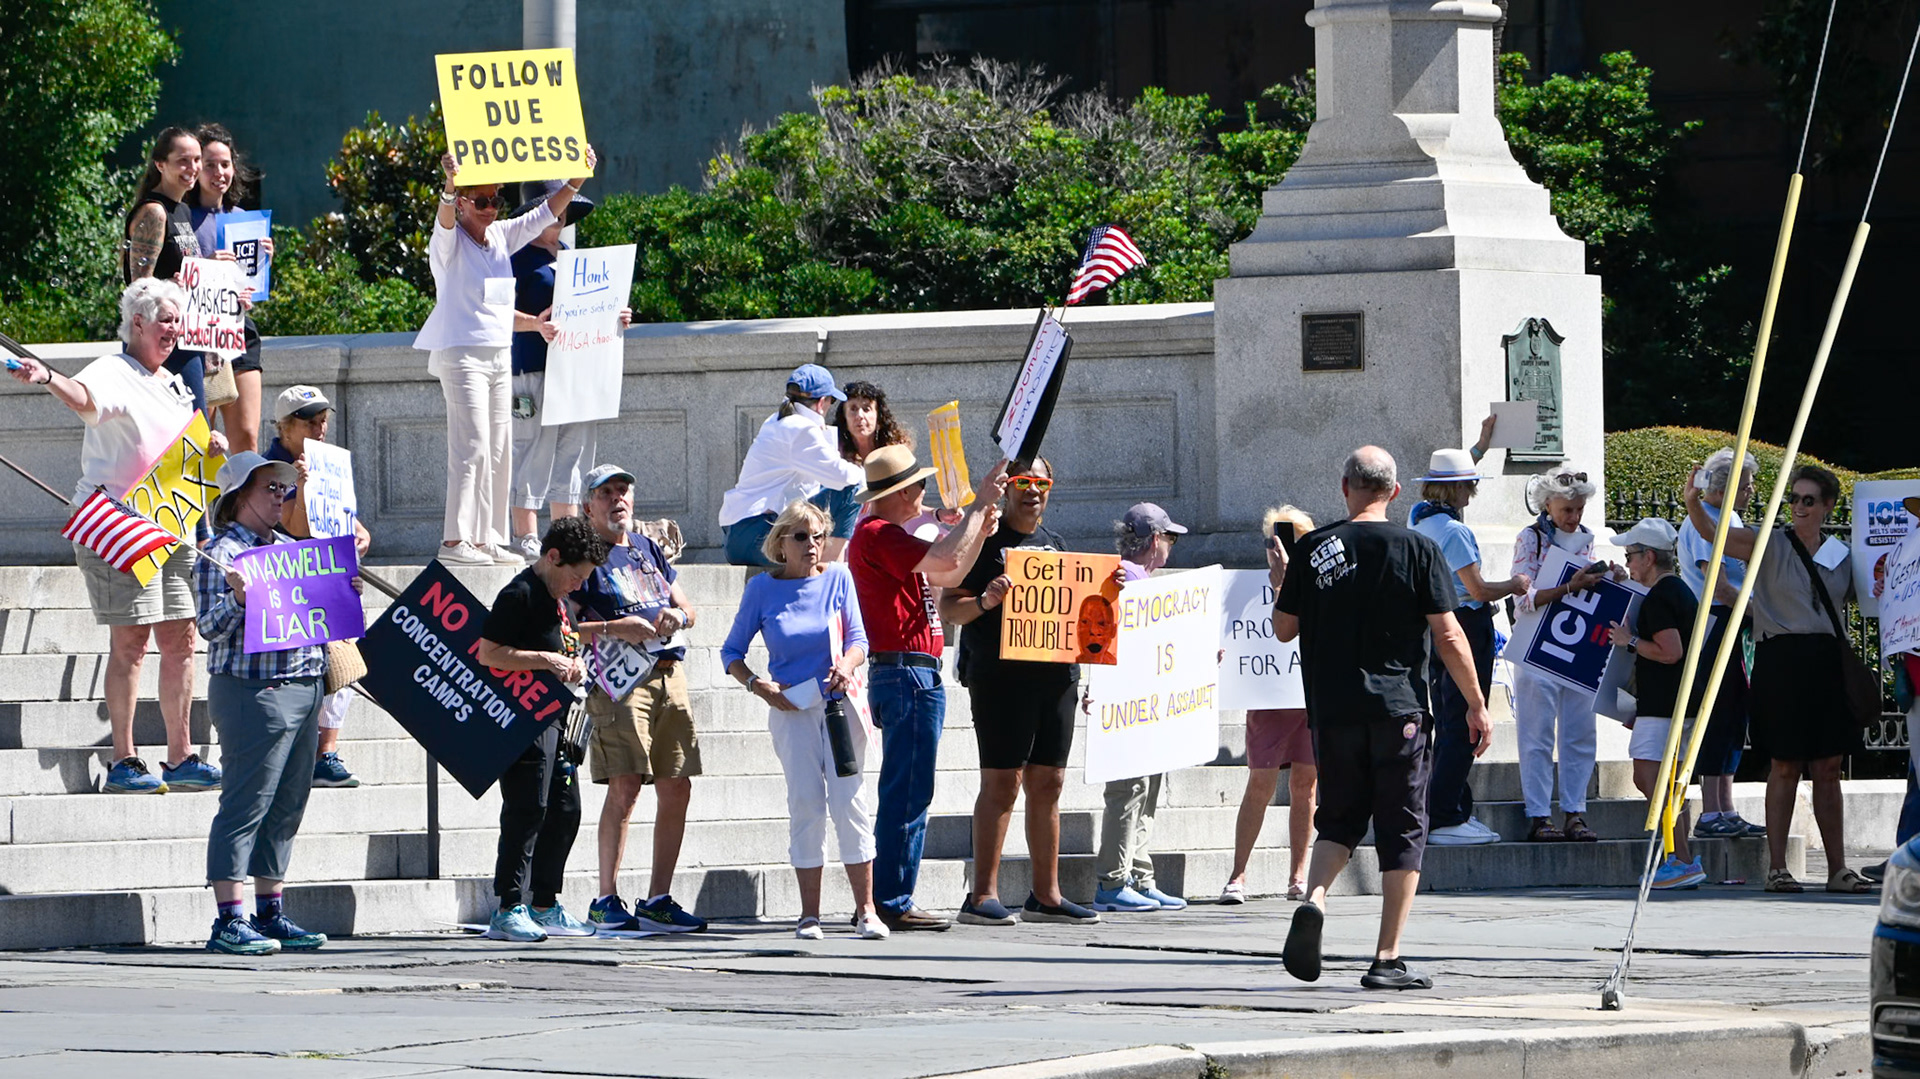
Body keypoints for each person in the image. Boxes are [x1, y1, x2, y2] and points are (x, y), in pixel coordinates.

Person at [1274, 446, 1490, 991]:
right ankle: (1387, 957)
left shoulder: (1313, 548)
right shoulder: (1418, 547)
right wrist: (1475, 703)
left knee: (1339, 819)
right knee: (1403, 828)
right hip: (1399, 710)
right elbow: (1448, 634)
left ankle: (1315, 898)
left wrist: (1283, 580)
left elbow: (1283, 629)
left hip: (1332, 710)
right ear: (1394, 492)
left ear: (1345, 487)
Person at [6, 279, 224, 795]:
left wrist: (210, 445)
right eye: (166, 320)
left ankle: (180, 757)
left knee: (181, 641)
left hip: (172, 527)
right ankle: (124, 760)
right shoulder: (112, 369)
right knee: (132, 642)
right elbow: (84, 400)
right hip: (119, 525)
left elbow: (180, 453)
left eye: (178, 321)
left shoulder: (173, 383)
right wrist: (47, 377)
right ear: (138, 323)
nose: (174, 330)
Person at [1684, 465, 1873, 894]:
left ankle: (1838, 869)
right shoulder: (1769, 541)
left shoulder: (1842, 553)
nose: (1799, 507)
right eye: (1794, 499)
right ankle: (1777, 868)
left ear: (1828, 506)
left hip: (1827, 659)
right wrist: (1693, 502)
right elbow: (1716, 536)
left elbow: (1870, 593)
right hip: (1781, 659)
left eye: (1809, 500)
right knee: (1785, 765)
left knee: (1829, 767)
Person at [849, 444, 1008, 931]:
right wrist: (980, 505)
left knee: (908, 788)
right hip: (906, 672)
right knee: (908, 790)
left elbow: (951, 569)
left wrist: (977, 528)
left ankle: (890, 896)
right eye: (917, 485)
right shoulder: (878, 533)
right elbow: (945, 557)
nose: (923, 492)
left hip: (908, 671)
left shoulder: (884, 535)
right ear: (899, 493)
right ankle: (892, 899)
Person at [413, 147, 595, 568]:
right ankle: (456, 539)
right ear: (462, 203)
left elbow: (544, 213)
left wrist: (576, 180)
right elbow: (444, 220)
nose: (490, 207)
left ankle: (490, 538)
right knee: (472, 446)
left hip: (499, 355)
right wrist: (449, 184)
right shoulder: (448, 243)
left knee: (499, 450)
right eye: (481, 200)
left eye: (496, 198)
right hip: (462, 355)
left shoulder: (499, 236)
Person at [940, 459, 1101, 926]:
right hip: (1000, 679)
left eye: (1040, 482)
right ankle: (981, 896)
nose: (1032, 490)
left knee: (1050, 782)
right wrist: (986, 600)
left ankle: (1046, 896)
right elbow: (950, 608)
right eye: (1022, 481)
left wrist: (1108, 594)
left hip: (1056, 678)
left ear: (1051, 488)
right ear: (1006, 488)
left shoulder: (1058, 546)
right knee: (1002, 782)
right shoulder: (984, 543)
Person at [721, 501, 890, 940]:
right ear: (780, 543)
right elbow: (731, 652)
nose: (812, 545)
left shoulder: (839, 577)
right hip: (791, 707)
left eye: (818, 536)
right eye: (801, 536)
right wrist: (758, 685)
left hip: (839, 705)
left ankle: (867, 911)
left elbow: (859, 639)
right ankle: (809, 914)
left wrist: (847, 665)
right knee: (806, 804)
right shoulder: (761, 589)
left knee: (850, 802)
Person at [194, 451, 341, 954]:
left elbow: (316, 615)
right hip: (252, 692)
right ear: (239, 498)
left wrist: (340, 593)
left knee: (286, 805)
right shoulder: (222, 553)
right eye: (270, 489)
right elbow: (208, 628)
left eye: (284, 489)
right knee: (246, 803)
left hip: (304, 687)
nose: (281, 497)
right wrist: (237, 598)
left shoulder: (288, 549)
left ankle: (269, 912)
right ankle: (228, 919)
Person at [569, 465, 709, 933]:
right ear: (588, 505)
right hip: (621, 681)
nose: (617, 499)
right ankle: (605, 898)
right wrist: (614, 627)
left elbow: (688, 608)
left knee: (677, 784)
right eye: (606, 493)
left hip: (669, 671)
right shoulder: (583, 556)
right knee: (625, 785)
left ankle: (658, 899)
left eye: (623, 490)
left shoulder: (647, 548)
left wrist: (677, 617)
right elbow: (564, 626)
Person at [474, 516, 606, 942]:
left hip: (557, 717)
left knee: (566, 810)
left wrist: (574, 661)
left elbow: (565, 643)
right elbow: (489, 653)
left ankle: (545, 903)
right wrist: (546, 661)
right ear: (552, 557)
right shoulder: (520, 594)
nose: (578, 585)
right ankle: (508, 906)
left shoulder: (557, 598)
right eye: (575, 576)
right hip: (523, 720)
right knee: (527, 808)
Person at [504, 181, 633, 562]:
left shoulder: (573, 258)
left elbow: (593, 308)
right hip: (533, 367)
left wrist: (617, 316)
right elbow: (494, 312)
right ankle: (525, 535)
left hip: (578, 370)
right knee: (532, 449)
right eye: (552, 208)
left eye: (563, 209)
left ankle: (568, 534)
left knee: (573, 455)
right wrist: (534, 324)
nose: (559, 216)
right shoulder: (514, 257)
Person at [1408, 449, 1529, 846]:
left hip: (1433, 624)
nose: (1472, 493)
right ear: (1458, 488)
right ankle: (1444, 815)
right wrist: (1514, 585)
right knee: (1465, 721)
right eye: (1469, 486)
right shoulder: (1455, 532)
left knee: (1447, 718)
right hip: (1466, 623)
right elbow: (1478, 590)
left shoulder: (1418, 519)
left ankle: (1452, 809)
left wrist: (1480, 445)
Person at [264, 385, 372, 788]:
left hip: (329, 570)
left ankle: (326, 751)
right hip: (293, 577)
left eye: (323, 421)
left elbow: (341, 514)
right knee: (308, 667)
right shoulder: (268, 468)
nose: (320, 428)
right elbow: (293, 527)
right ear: (286, 426)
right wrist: (303, 485)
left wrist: (359, 532)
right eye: (311, 422)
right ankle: (308, 751)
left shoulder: (326, 461)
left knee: (344, 661)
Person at [1094, 503, 1193, 913]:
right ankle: (1114, 882)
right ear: (1154, 540)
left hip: (1145, 701)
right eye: (1170, 537)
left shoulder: (1135, 578)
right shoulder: (1127, 578)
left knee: (1144, 789)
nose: (1171, 545)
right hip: (1130, 702)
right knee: (1130, 790)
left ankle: (1138, 876)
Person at [1222, 506, 1319, 904]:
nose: (1286, 548)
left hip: (1307, 698)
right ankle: (1238, 874)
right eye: (1278, 539)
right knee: (1260, 783)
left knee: (1305, 787)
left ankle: (1298, 875)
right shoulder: (1249, 588)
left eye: (1298, 540)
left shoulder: (1319, 586)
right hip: (1267, 699)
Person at [1606, 517, 1708, 891]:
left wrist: (1629, 641)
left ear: (1648, 557)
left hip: (1665, 706)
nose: (1629, 563)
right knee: (1669, 786)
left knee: (1650, 779)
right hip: (1676, 703)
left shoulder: (1661, 597)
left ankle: (1679, 859)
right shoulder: (1677, 591)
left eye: (1631, 556)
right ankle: (1681, 858)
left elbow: (1670, 651)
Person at [1505, 466, 1606, 842]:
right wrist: (1568, 587)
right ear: (1547, 505)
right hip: (1536, 647)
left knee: (1580, 732)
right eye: (1567, 510)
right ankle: (1539, 815)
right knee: (1537, 734)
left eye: (1579, 509)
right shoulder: (1529, 538)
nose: (1574, 517)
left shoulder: (1585, 539)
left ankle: (1575, 813)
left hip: (1576, 647)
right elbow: (1523, 598)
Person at [1679, 448, 1764, 840]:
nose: (1751, 491)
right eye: (1745, 485)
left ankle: (1726, 806)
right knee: (1718, 714)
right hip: (1718, 622)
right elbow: (1719, 585)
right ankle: (1711, 809)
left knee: (1735, 715)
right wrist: (1759, 613)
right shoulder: (1705, 521)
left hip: (1737, 620)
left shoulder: (1731, 518)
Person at [719, 364, 867, 566]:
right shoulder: (802, 428)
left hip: (740, 537)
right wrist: (871, 477)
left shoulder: (777, 420)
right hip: (758, 536)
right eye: (831, 401)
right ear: (822, 402)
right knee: (851, 490)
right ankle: (830, 572)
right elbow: (842, 477)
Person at [187, 123, 270, 453]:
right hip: (200, 334)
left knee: (247, 438)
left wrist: (262, 265)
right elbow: (173, 279)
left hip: (239, 329)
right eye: (210, 165)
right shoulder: (181, 218)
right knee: (201, 441)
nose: (219, 173)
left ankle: (246, 490)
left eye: (225, 164)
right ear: (196, 169)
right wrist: (206, 264)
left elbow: (248, 285)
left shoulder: (243, 218)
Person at [121, 127, 209, 416]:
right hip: (157, 342)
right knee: (185, 429)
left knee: (194, 429)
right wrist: (169, 286)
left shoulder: (182, 210)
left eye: (197, 159)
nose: (193, 168)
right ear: (160, 164)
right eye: (183, 160)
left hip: (184, 336)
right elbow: (139, 288)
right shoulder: (154, 212)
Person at [836, 380, 911, 465]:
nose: (860, 415)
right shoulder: (835, 454)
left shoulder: (896, 452)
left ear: (879, 417)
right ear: (844, 417)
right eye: (853, 409)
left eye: (866, 409)